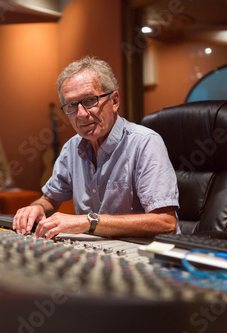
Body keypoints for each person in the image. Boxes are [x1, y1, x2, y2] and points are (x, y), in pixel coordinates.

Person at [13, 55, 179, 240]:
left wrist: (89, 221)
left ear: (115, 101)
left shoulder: (145, 143)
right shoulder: (71, 148)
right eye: (71, 105)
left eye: (90, 100)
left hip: (144, 255)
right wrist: (37, 207)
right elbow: (50, 198)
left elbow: (166, 223)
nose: (81, 114)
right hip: (96, 251)